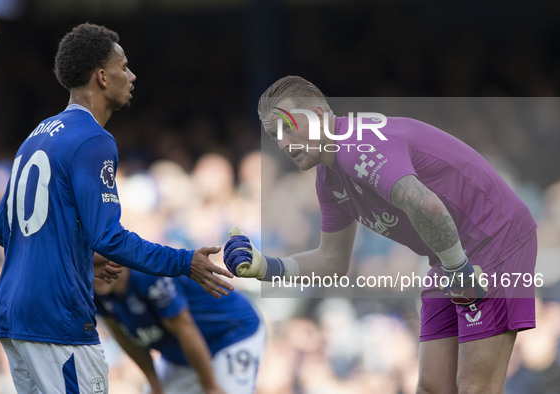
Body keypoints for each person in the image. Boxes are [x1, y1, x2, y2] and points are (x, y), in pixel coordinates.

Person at [224, 75, 537, 394]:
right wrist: (266, 267)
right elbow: (332, 260)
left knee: (475, 387)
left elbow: (425, 205)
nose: (281, 144)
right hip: (451, 255)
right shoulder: (329, 176)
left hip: (496, 238)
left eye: (287, 127)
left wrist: (460, 271)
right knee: (432, 387)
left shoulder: (358, 146)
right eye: (273, 134)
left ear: (319, 115)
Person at [0, 23, 233, 394]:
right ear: (102, 77)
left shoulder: (37, 134)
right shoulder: (93, 139)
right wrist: (185, 262)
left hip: (13, 315)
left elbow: (3, 229)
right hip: (58, 320)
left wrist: (84, 258)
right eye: (124, 67)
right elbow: (109, 236)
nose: (131, 76)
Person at [93, 267, 265, 394]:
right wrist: (154, 383)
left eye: (97, 265)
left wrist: (210, 386)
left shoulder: (148, 272)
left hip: (231, 334)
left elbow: (185, 328)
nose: (94, 274)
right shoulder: (93, 288)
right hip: (181, 350)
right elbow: (125, 338)